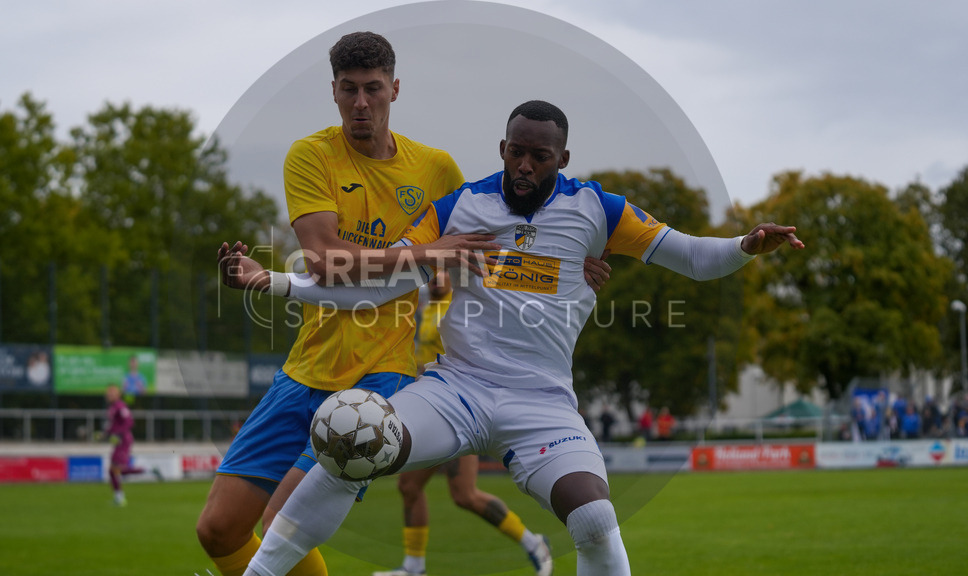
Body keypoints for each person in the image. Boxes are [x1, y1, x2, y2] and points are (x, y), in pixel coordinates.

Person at [223, 100, 803, 575]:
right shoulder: (459, 207)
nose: (524, 166)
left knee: (596, 521)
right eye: (515, 152)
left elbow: (694, 257)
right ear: (502, 147)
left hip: (542, 402)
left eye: (539, 156)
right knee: (350, 444)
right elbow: (376, 290)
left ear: (562, 159)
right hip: (456, 389)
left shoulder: (596, 209)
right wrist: (272, 281)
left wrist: (746, 246)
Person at [197, 33, 606, 576]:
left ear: (394, 88)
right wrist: (426, 252)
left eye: (372, 88)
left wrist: (571, 263)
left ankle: (488, 552)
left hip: (384, 373)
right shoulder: (311, 155)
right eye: (348, 89)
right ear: (334, 91)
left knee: (282, 524)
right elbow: (324, 260)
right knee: (218, 529)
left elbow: (502, 234)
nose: (360, 103)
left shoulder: (435, 169)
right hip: (305, 366)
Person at [374, 269, 552, 576]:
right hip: (431, 406)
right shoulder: (427, 308)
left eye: (443, 272)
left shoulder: (461, 305)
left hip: (458, 406)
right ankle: (414, 567)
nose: (435, 278)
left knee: (465, 495)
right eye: (432, 272)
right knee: (409, 487)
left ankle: (533, 543)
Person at [103, 384, 144, 506]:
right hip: (118, 441)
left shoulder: (120, 406)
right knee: (113, 470)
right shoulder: (113, 407)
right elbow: (114, 425)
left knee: (117, 468)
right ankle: (119, 497)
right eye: (108, 393)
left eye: (112, 393)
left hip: (124, 440)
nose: (109, 395)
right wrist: (105, 433)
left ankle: (149, 470)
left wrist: (119, 434)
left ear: (118, 394)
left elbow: (129, 422)